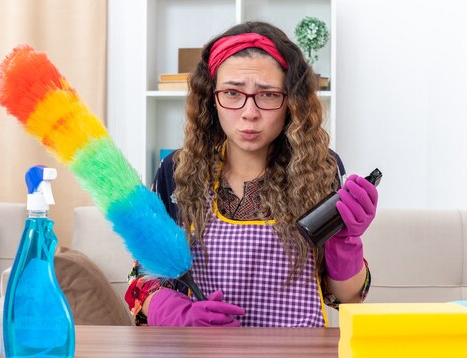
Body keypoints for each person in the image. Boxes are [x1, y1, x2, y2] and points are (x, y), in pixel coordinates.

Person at [125, 21, 378, 327]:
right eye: (232, 93)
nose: (249, 112)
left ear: (291, 102)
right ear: (211, 98)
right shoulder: (177, 171)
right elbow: (142, 280)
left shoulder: (321, 170)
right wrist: (175, 312)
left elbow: (346, 298)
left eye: (268, 95)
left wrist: (346, 241)